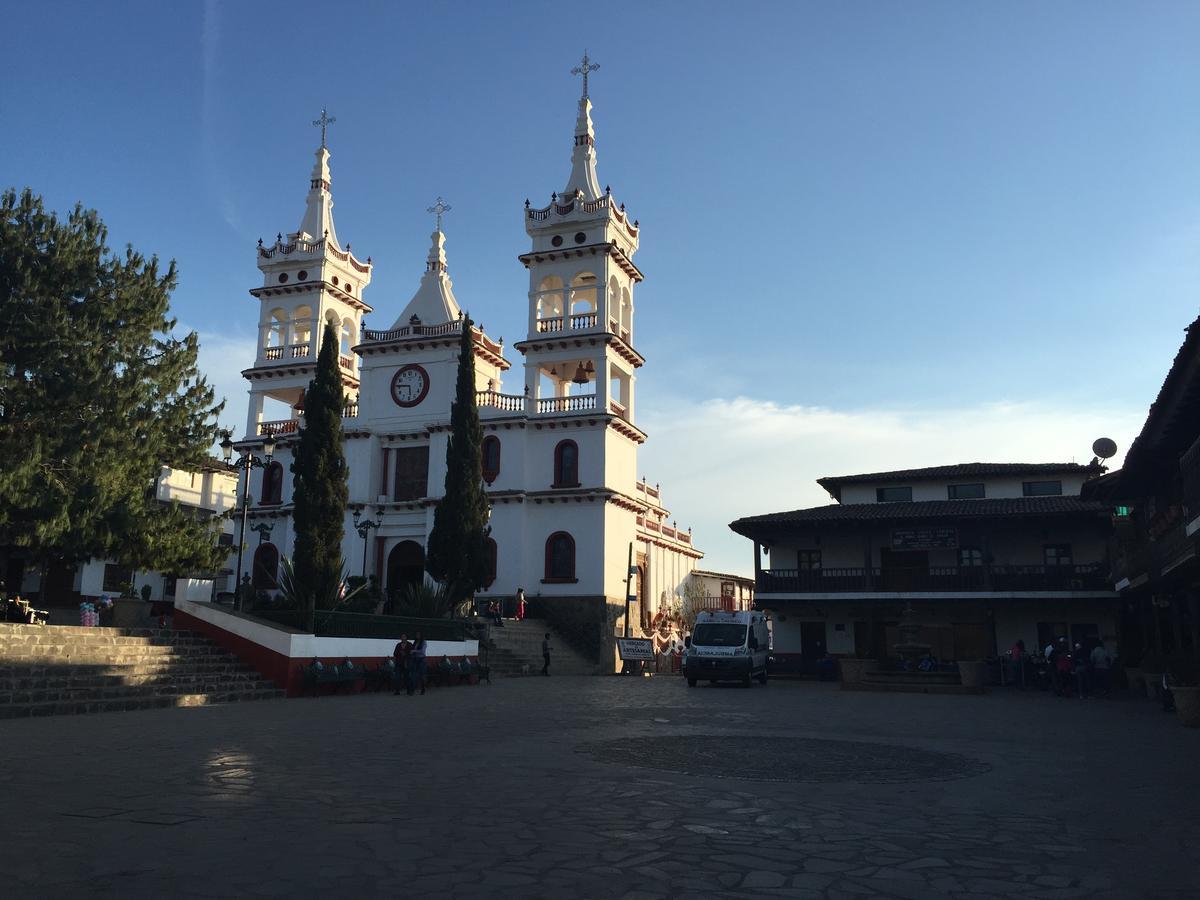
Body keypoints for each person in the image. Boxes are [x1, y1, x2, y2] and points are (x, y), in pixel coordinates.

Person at [408, 631, 427, 696]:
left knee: (421, 675)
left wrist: (414, 651)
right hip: (415, 659)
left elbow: (422, 651)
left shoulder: (424, 642)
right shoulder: (415, 642)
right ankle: (412, 690)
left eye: (418, 634)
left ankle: (423, 689)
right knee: (414, 675)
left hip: (421, 659)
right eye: (416, 634)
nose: (417, 635)